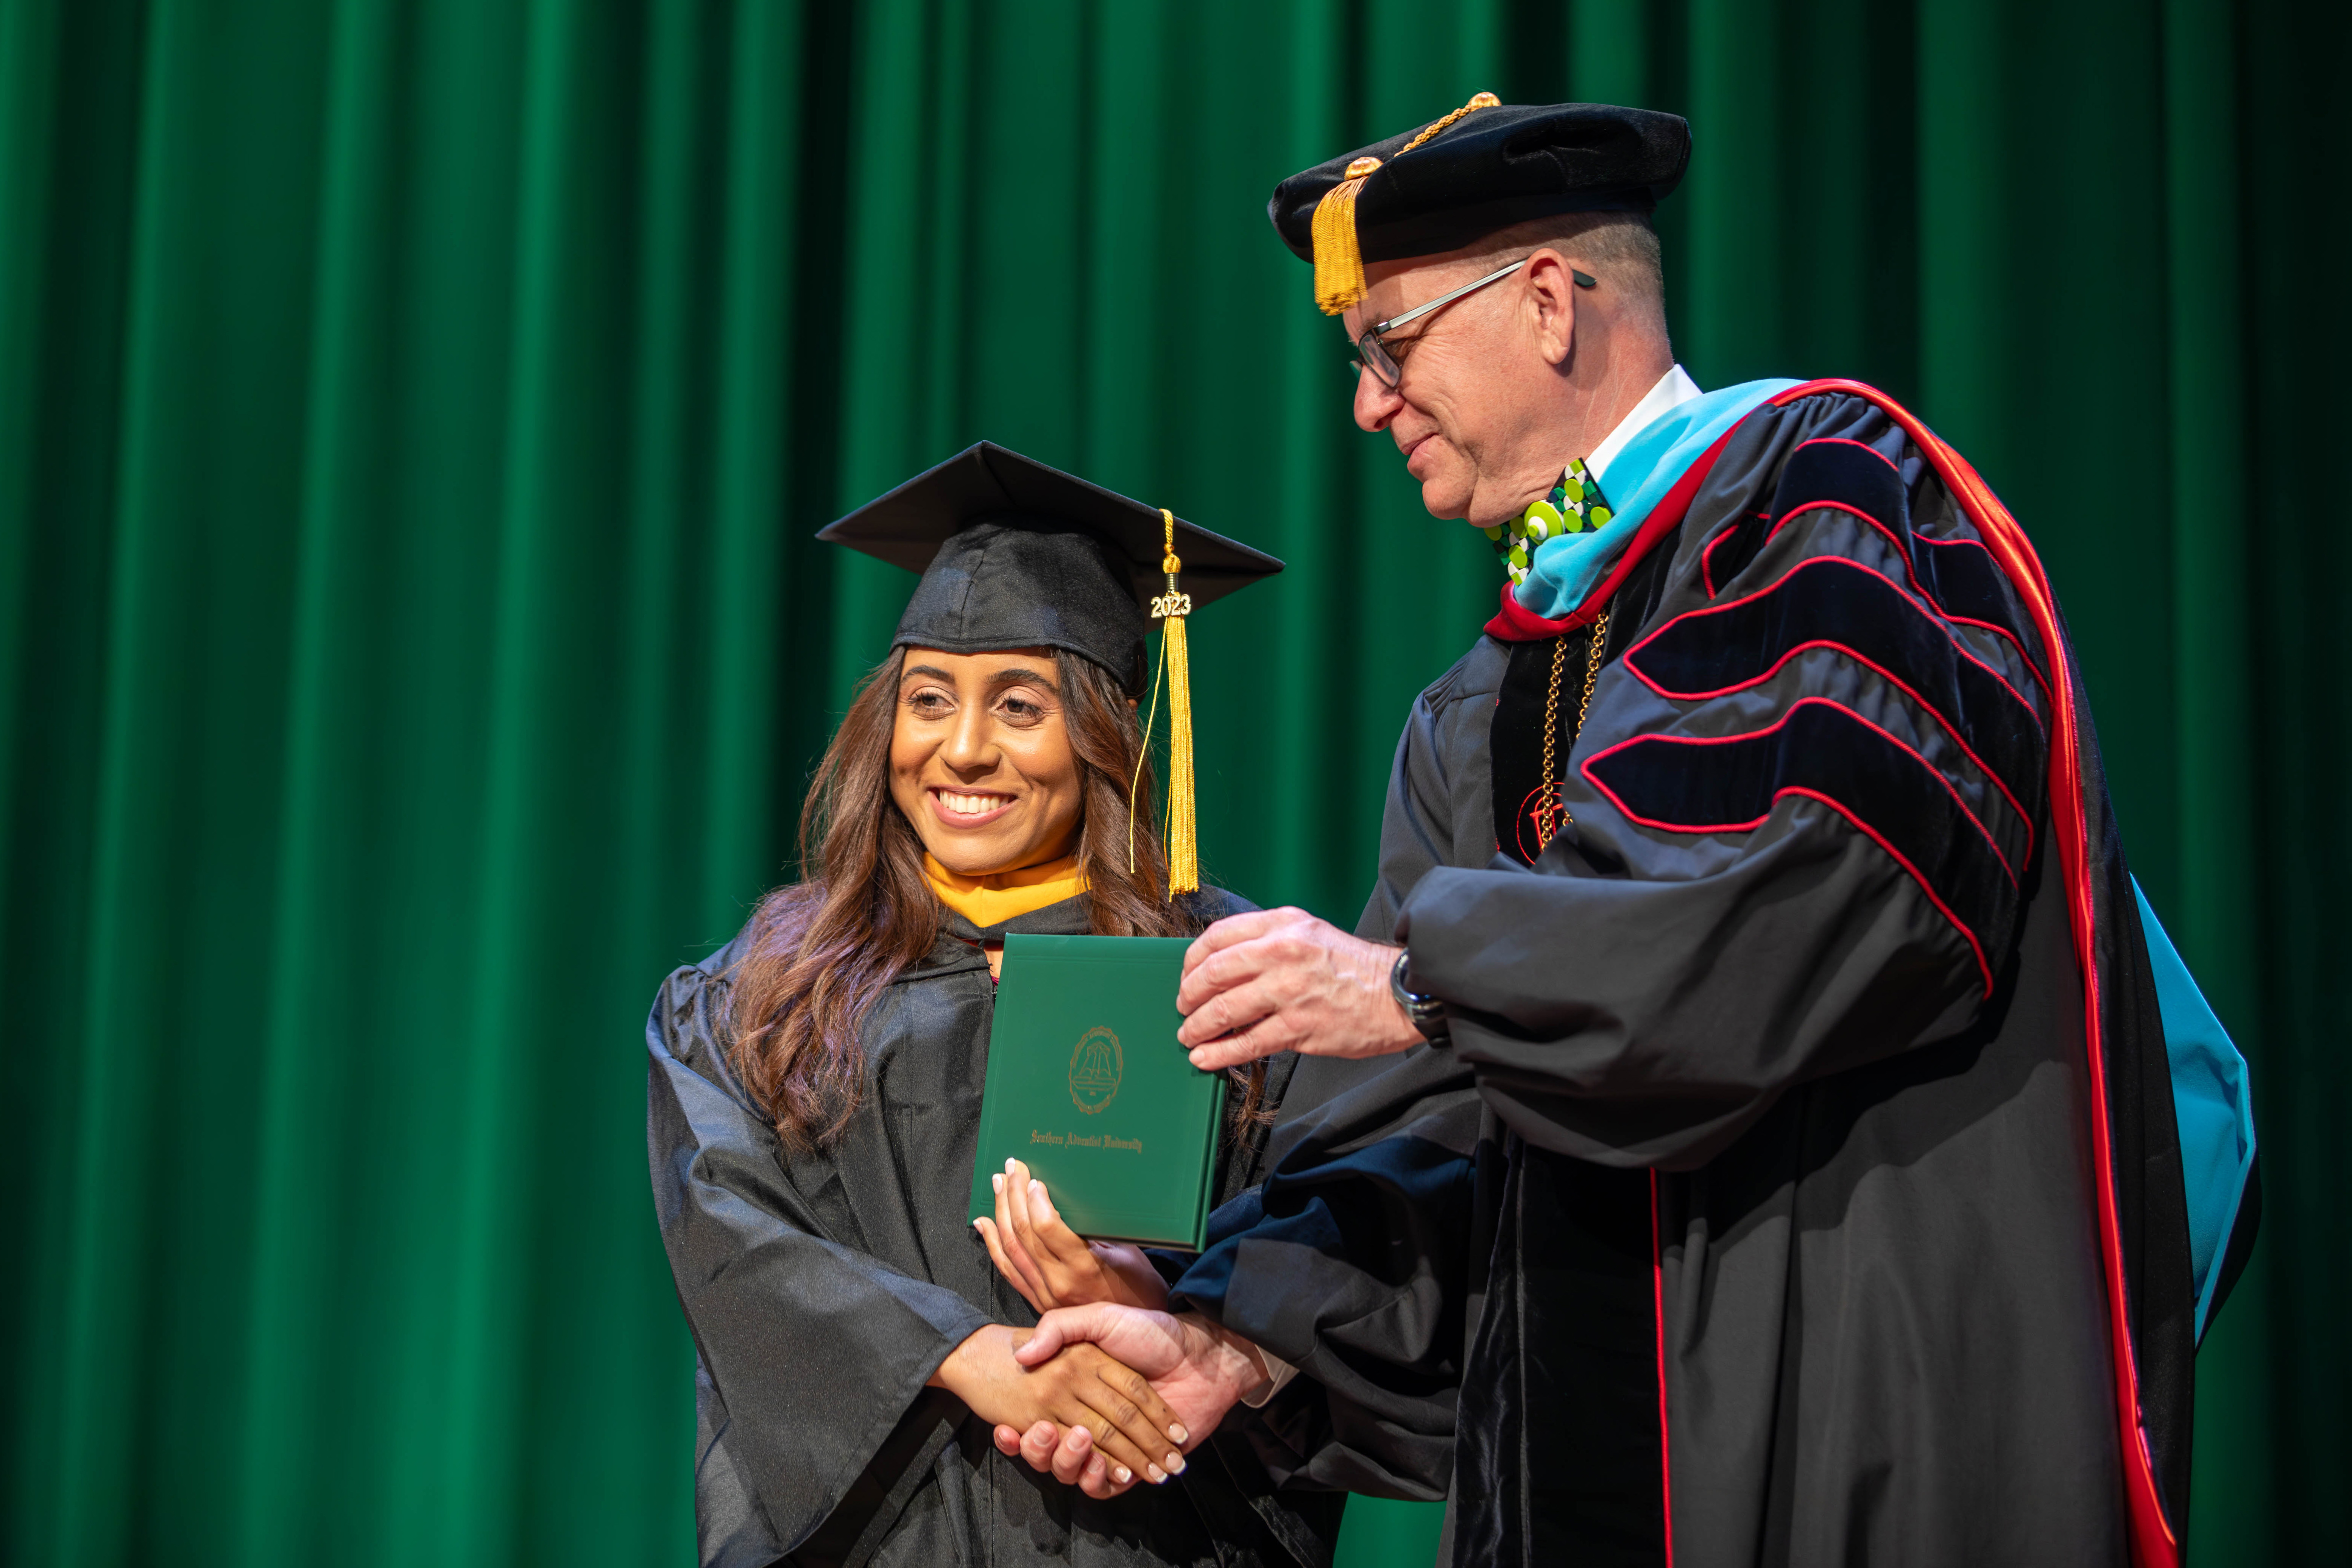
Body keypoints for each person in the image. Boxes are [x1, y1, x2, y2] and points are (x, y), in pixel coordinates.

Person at [1003, 98, 2259, 1567]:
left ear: (1546, 302)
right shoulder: (1475, 710)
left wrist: (1418, 985)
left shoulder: (1826, 492)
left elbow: (1813, 892)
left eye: (1389, 347)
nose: (1366, 407)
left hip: (1860, 1405)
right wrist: (1241, 1338)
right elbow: (1444, 1127)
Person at [643, 443, 1343, 1566]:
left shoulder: (1225, 976)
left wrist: (1175, 1315)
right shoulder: (761, 989)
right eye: (929, 700)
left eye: (1021, 706)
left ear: (1105, 731)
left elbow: (1332, 1252)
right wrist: (967, 1356)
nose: (962, 750)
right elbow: (732, 1239)